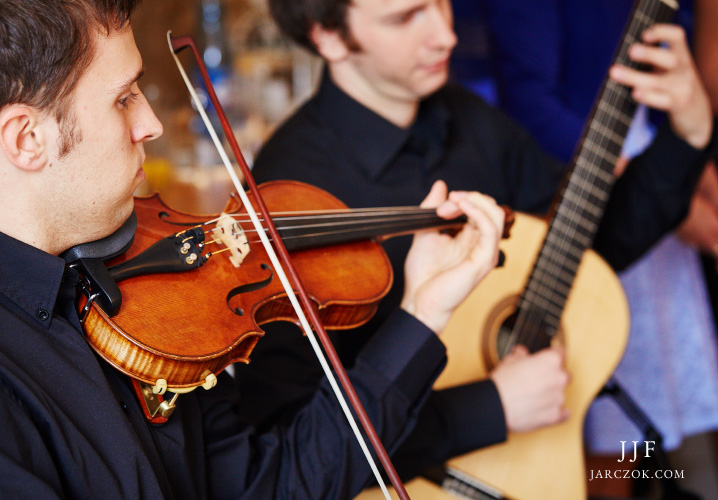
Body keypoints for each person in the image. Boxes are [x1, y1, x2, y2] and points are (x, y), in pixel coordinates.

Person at [0, 1, 510, 498]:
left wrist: (423, 312)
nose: (151, 123)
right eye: (124, 98)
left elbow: (267, 485)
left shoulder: (146, 298)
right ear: (26, 139)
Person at [235, 0, 717, 485]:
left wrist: (690, 134)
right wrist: (492, 406)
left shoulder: (472, 121)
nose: (446, 35)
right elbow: (290, 443)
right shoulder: (290, 191)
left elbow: (580, 256)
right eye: (406, 17)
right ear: (327, 36)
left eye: (441, 2)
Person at [481, 0, 718, 496]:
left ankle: (657, 483)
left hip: (653, 165)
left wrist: (688, 167)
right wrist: (650, 178)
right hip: (584, 187)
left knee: (665, 409)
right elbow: (529, 105)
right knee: (603, 412)